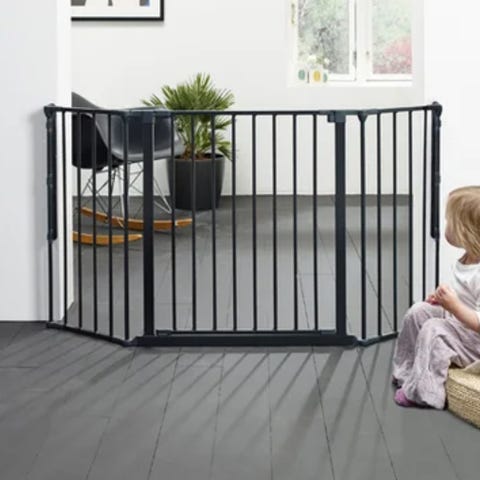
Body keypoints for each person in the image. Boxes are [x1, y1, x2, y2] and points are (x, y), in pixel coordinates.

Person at [392, 186, 480, 409]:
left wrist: (454, 306)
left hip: (476, 342)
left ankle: (425, 393)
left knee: (435, 329)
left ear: (465, 230)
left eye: (449, 222)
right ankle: (407, 372)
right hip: (462, 326)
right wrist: (442, 300)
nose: (445, 226)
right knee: (418, 312)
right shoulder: (469, 258)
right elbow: (465, 297)